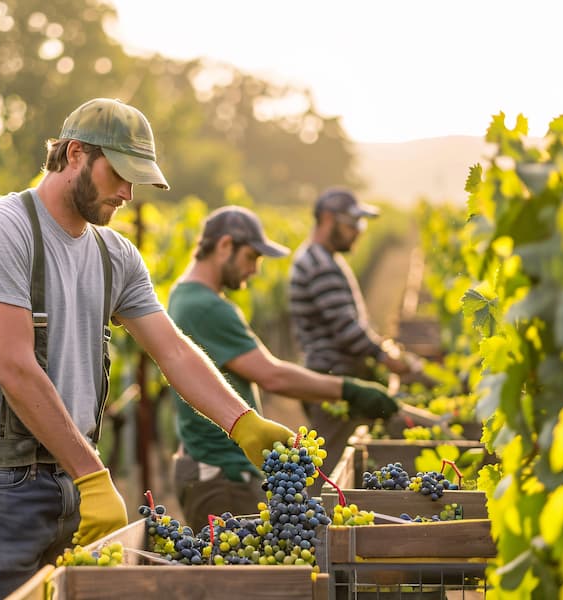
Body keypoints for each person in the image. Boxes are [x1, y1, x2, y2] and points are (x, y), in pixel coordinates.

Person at [0, 98, 296, 599]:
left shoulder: (116, 255)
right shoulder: (0, 230)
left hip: (79, 483)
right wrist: (91, 475)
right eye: (120, 175)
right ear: (74, 155)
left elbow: (172, 350)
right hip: (5, 488)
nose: (128, 194)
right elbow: (16, 369)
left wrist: (243, 423)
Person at [168, 206, 398, 529]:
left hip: (211, 465)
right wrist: (347, 389)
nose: (255, 270)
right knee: (243, 574)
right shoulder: (206, 307)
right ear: (224, 246)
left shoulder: (183, 296)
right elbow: (272, 375)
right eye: (251, 257)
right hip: (222, 474)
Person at [288, 187, 424, 469]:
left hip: (331, 376)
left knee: (333, 462)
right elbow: (347, 330)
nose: (359, 231)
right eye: (352, 223)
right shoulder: (319, 265)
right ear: (327, 219)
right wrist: (386, 357)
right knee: (329, 469)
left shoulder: (322, 258)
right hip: (333, 379)